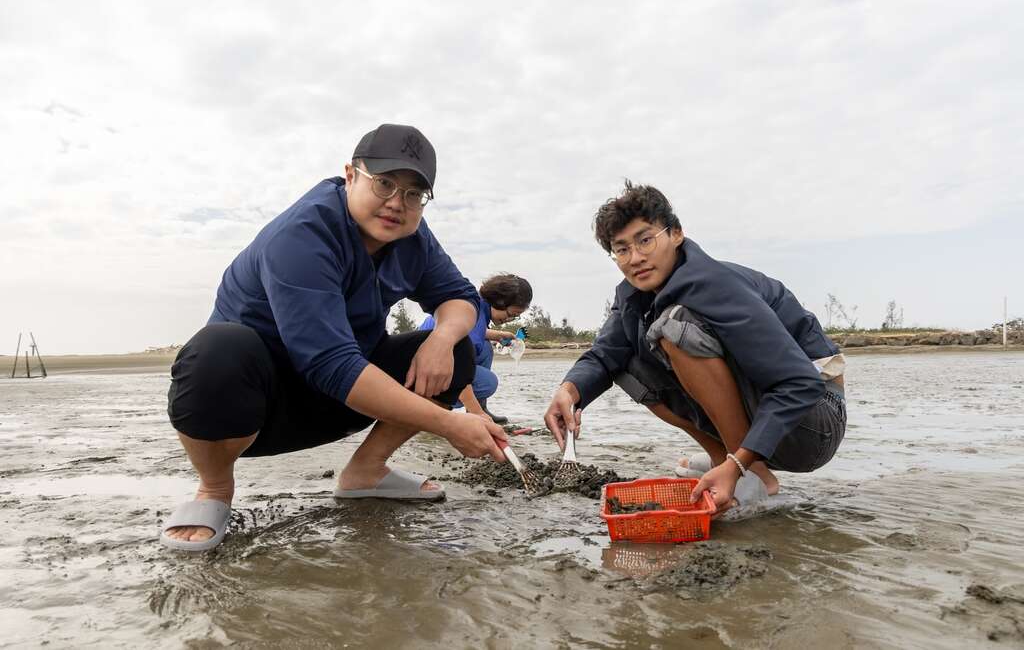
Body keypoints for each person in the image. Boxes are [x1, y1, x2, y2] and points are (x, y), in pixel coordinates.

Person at [161, 123, 507, 551]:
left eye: (413, 194)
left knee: (457, 349)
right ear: (350, 175)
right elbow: (329, 363)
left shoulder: (412, 238)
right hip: (257, 409)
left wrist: (441, 337)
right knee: (216, 351)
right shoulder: (302, 235)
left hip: (343, 400)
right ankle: (214, 489)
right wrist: (449, 424)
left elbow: (459, 297)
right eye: (384, 184)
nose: (397, 203)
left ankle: (366, 472)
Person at [543, 182, 846, 514]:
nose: (636, 258)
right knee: (626, 357)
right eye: (622, 249)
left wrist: (739, 462)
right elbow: (605, 353)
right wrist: (570, 391)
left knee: (674, 326)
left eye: (645, 240)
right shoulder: (632, 296)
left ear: (676, 234)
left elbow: (800, 383)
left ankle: (743, 468)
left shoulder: (714, 284)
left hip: (814, 422)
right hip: (771, 413)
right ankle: (726, 460)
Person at [420, 274, 533, 423]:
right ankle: (434, 407)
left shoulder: (475, 304)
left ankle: (476, 408)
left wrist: (499, 335)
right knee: (488, 382)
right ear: (499, 301)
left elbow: (471, 331)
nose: (509, 320)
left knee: (485, 348)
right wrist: (478, 414)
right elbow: (457, 370)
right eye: (511, 314)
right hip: (423, 367)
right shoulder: (473, 318)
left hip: (424, 350)